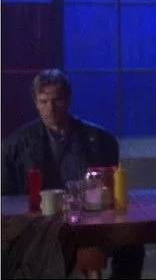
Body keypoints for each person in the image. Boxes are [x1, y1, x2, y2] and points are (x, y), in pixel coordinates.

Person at [1, 69, 145, 279]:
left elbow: (109, 191)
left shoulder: (99, 139)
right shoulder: (16, 145)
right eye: (43, 101)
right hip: (38, 228)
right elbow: (6, 197)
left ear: (68, 100)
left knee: (132, 241)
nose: (50, 108)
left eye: (57, 100)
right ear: (35, 103)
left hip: (89, 223)